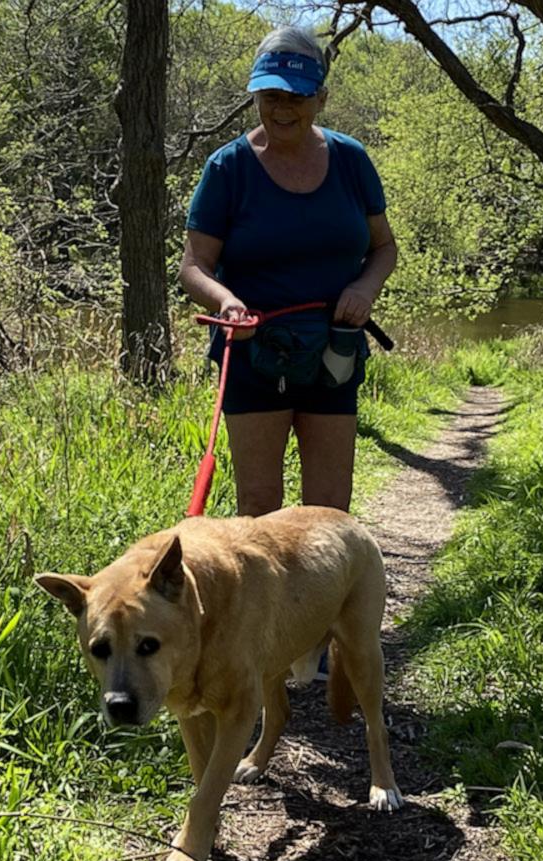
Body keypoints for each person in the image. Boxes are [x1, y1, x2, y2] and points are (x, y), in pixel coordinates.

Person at [179, 25, 398, 518]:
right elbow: (193, 267)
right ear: (256, 93)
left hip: (334, 352)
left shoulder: (351, 161)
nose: (282, 108)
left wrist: (365, 287)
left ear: (321, 98)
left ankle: (326, 599)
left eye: (297, 96)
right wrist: (225, 301)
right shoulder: (227, 169)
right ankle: (265, 600)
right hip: (253, 354)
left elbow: (384, 248)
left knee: (329, 514)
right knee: (257, 510)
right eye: (270, 94)